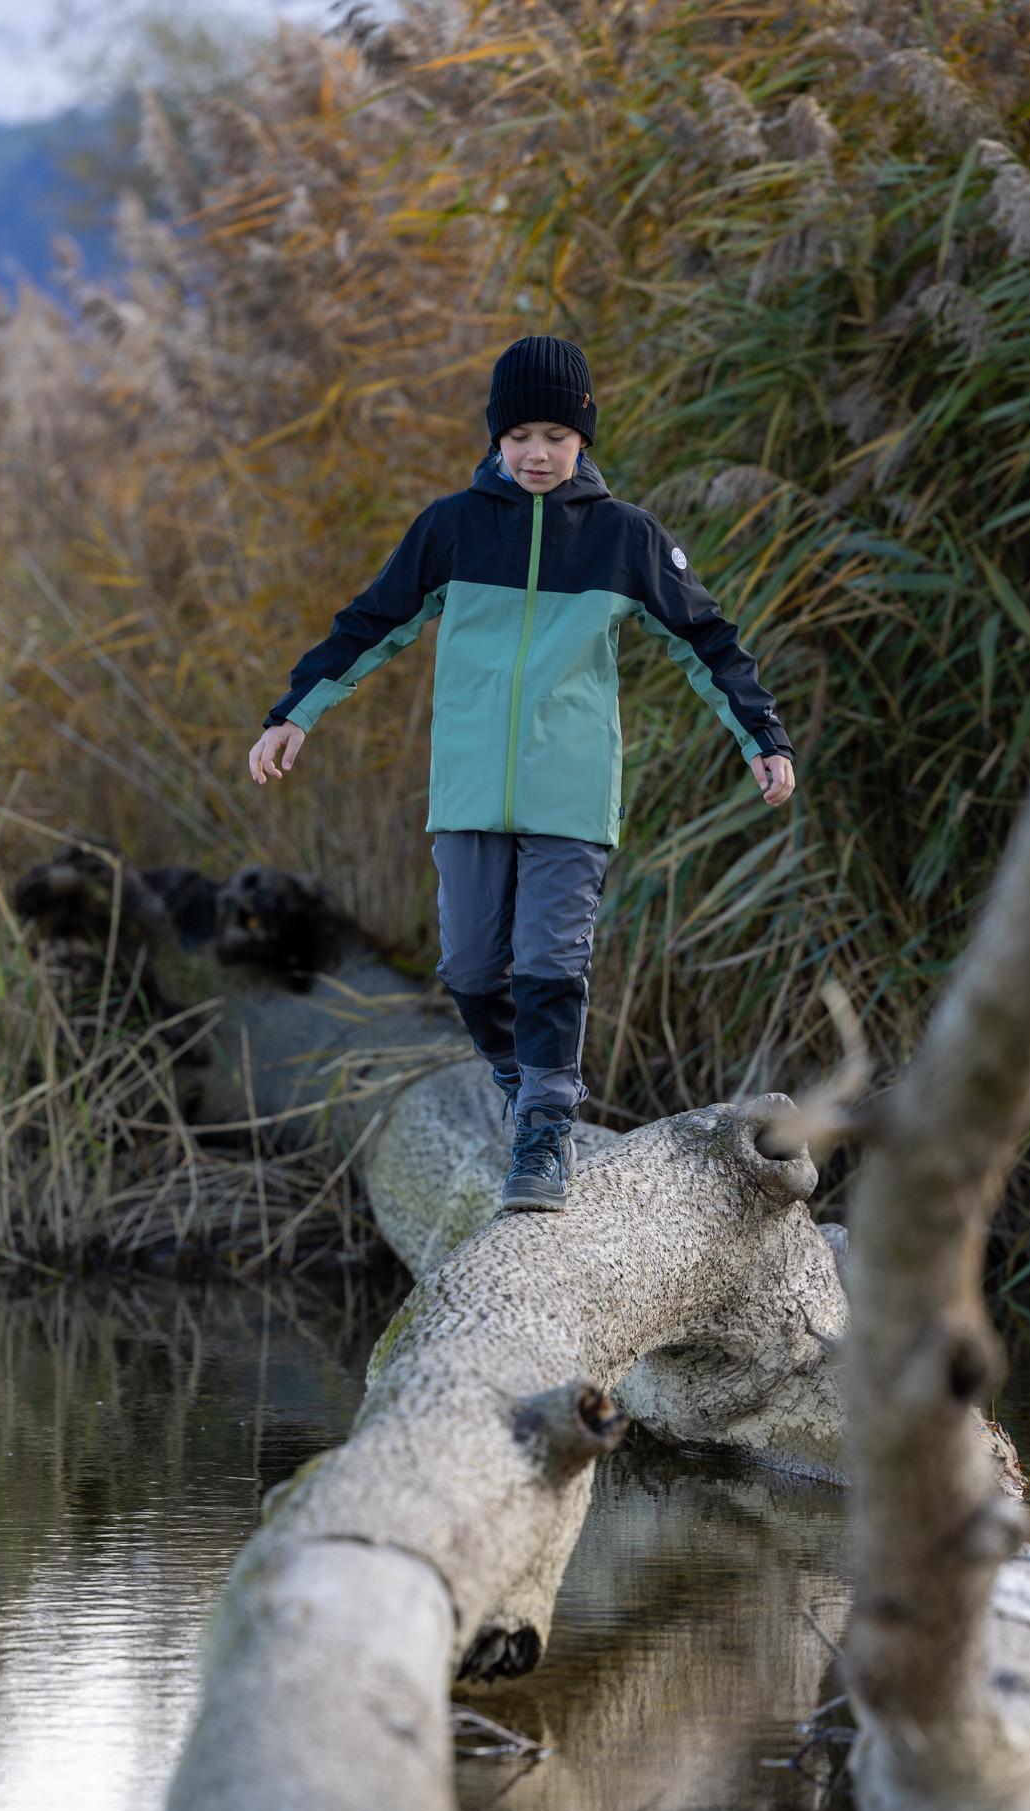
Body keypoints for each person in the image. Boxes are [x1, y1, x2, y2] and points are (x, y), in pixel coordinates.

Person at [248, 334, 796, 1213]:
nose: (537, 453)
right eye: (519, 437)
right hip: (467, 793)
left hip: (571, 797)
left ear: (583, 438)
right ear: (495, 439)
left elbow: (708, 640)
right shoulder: (452, 529)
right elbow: (369, 624)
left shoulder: (625, 538)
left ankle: (543, 1128)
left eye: (555, 435)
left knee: (548, 961)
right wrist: (294, 714)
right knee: (469, 970)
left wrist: (761, 736)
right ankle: (523, 1082)